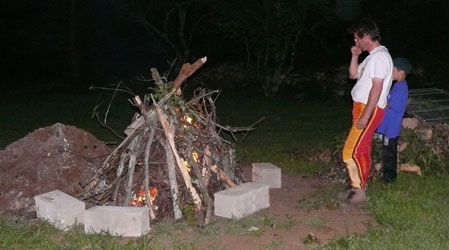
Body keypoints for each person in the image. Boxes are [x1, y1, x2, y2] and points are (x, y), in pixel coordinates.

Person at [341, 19, 393, 206]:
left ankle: (359, 190)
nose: (356, 42)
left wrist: (365, 115)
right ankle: (357, 188)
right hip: (361, 108)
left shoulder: (380, 57)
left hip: (368, 109)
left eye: (357, 38)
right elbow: (353, 75)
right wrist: (355, 56)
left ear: (366, 36)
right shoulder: (372, 57)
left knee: (350, 151)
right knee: (361, 149)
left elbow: (377, 89)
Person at [376, 57, 411, 183]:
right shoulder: (397, 85)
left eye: (393, 70)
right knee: (386, 151)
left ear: (401, 72)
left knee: (389, 152)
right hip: (387, 126)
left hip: (392, 128)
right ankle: (386, 174)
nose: (391, 73)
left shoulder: (401, 87)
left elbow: (394, 105)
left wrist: (381, 101)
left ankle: (389, 177)